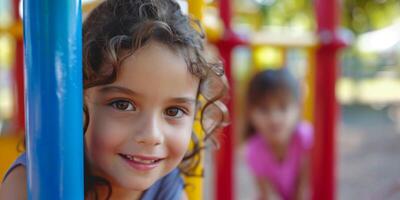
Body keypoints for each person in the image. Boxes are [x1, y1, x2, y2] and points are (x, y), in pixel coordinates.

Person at [0, 0, 228, 199]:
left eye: (174, 111)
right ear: (76, 104)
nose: (151, 136)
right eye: (123, 104)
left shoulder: (166, 189)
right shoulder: (34, 184)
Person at [244, 69, 313, 200]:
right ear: (250, 113)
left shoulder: (305, 138)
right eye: (264, 109)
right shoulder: (254, 149)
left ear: (297, 108)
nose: (274, 118)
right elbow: (269, 195)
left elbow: (304, 192)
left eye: (283, 107)